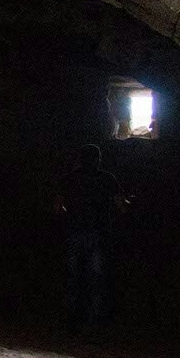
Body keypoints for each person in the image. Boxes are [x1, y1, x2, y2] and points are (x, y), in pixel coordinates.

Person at [56, 144, 123, 339]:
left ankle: (71, 325)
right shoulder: (107, 179)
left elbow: (58, 208)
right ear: (98, 159)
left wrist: (72, 215)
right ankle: (94, 326)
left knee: (73, 279)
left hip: (74, 233)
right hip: (99, 235)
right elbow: (121, 207)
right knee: (96, 281)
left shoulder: (70, 179)